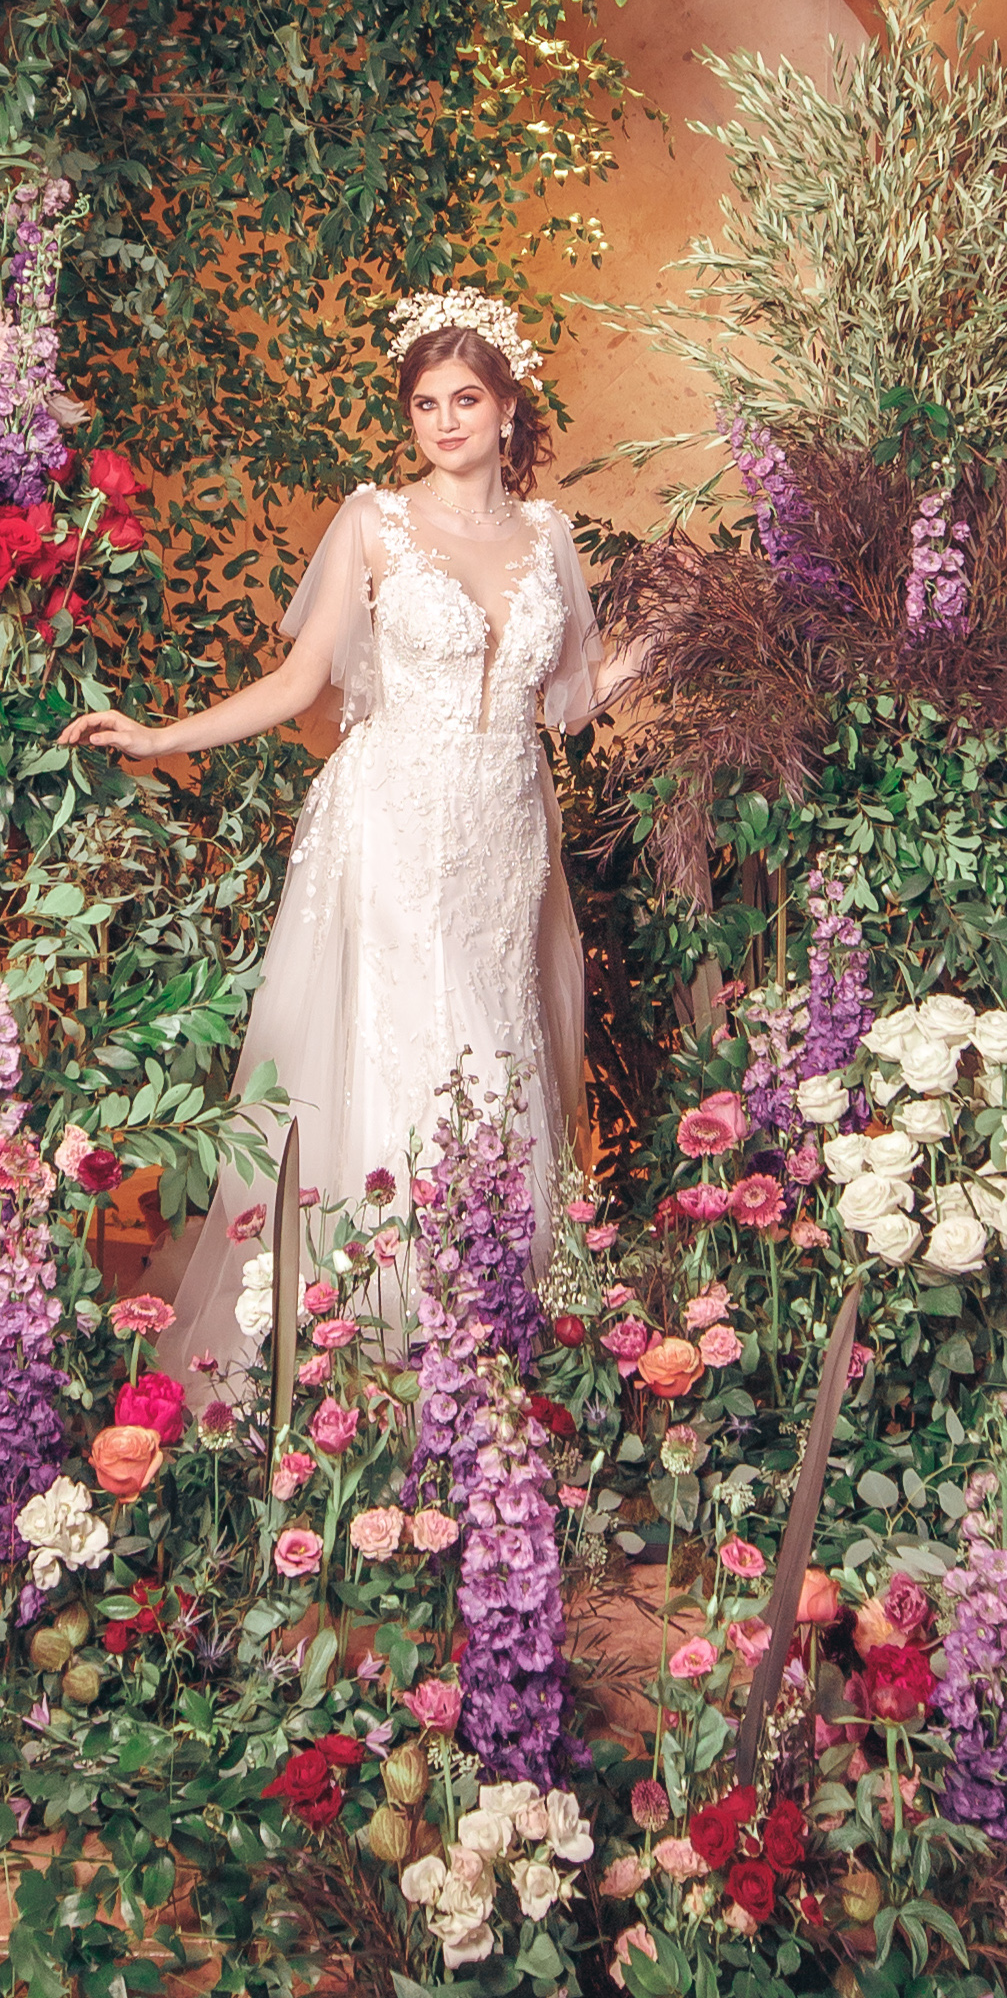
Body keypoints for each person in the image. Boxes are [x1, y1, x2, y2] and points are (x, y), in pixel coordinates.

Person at [61, 289, 635, 1378]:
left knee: (503, 1053)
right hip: (397, 820)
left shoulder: (549, 535)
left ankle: (500, 1345)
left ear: (508, 409)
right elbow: (299, 679)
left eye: (468, 398)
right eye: (427, 403)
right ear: (411, 418)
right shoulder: (376, 523)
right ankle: (382, 1349)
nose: (448, 421)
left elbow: (567, 698)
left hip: (507, 831)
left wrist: (675, 637)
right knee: (420, 1056)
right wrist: (161, 734)